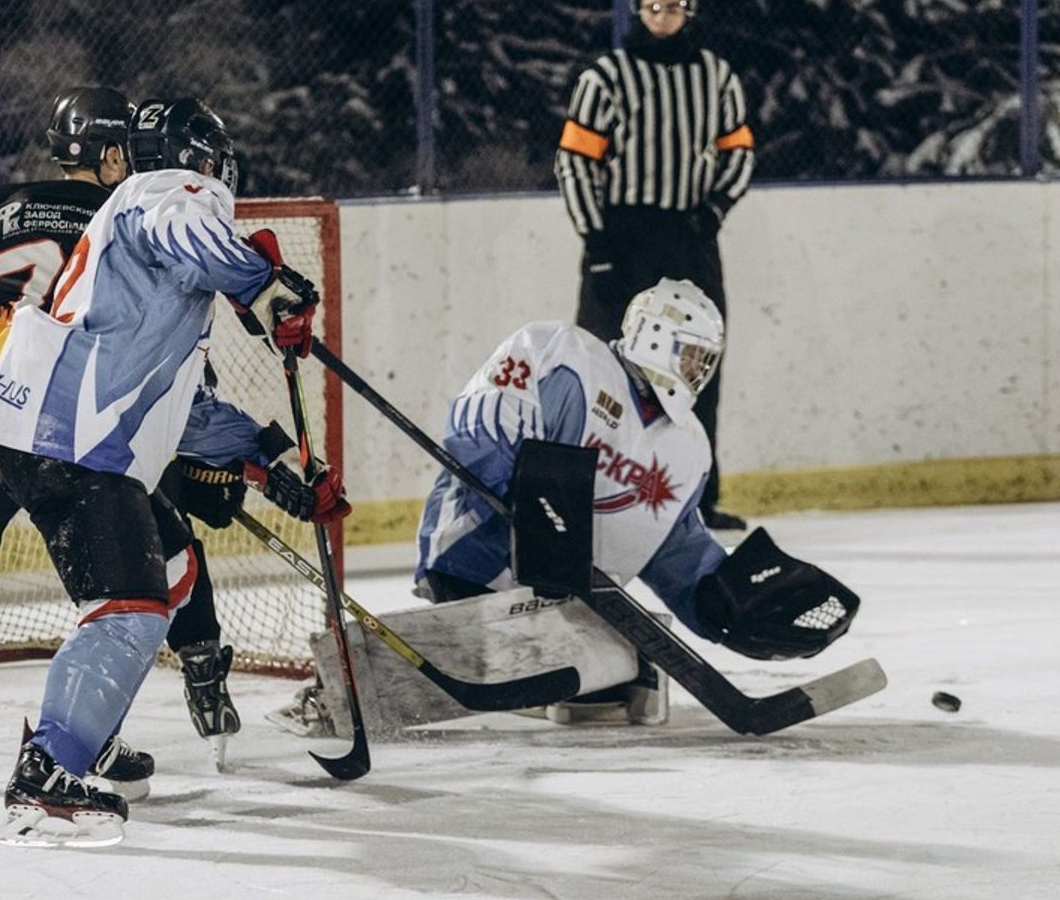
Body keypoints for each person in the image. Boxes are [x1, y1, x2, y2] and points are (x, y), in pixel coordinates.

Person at [0, 96, 348, 847]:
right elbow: (179, 221)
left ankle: (88, 735)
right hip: (72, 443)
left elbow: (186, 411)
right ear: (200, 159)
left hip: (51, 438)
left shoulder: (154, 270)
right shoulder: (162, 195)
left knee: (172, 571)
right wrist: (261, 283)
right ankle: (46, 772)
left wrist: (271, 467)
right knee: (129, 609)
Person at [0, 88, 246, 791]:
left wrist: (3, 317)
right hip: (89, 433)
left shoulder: (1, 207)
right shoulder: (140, 217)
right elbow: (170, 357)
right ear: (116, 154)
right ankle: (201, 675)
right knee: (153, 564)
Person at [273, 278, 858, 739]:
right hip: (481, 567)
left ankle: (555, 668)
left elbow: (674, 545)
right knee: (557, 655)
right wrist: (528, 506)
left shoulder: (688, 447)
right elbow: (478, 432)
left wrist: (726, 604)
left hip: (566, 600)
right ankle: (340, 686)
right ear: (656, 337)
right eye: (692, 357)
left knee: (621, 663)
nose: (699, 374)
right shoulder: (566, 357)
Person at [555, 0, 755, 531]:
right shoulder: (607, 77)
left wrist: (715, 207)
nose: (663, 18)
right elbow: (574, 161)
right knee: (598, 361)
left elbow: (738, 148)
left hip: (688, 234)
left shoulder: (715, 75)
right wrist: (595, 238)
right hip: (620, 234)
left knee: (697, 362)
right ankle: (580, 497)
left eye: (674, 7)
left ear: (689, 10)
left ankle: (695, 497)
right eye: (653, 8)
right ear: (637, 10)